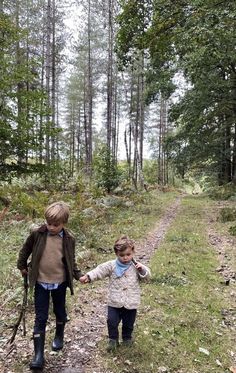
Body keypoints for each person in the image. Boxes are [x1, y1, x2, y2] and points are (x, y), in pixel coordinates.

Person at [17, 201, 82, 370]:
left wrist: (78, 274)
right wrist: (22, 265)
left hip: (60, 282)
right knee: (41, 317)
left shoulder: (69, 239)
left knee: (60, 311)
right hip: (40, 282)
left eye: (56, 224)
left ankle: (59, 335)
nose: (51, 227)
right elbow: (25, 250)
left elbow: (71, 259)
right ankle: (38, 355)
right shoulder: (38, 234)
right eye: (49, 223)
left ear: (64, 223)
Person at [79, 235, 150, 351]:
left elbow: (146, 277)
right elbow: (99, 271)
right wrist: (89, 276)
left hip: (131, 301)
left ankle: (127, 338)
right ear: (116, 254)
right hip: (114, 301)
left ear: (133, 253)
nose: (125, 258)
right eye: (122, 255)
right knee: (111, 321)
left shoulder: (136, 266)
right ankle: (113, 339)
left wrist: (142, 270)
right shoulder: (111, 265)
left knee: (128, 323)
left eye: (128, 255)